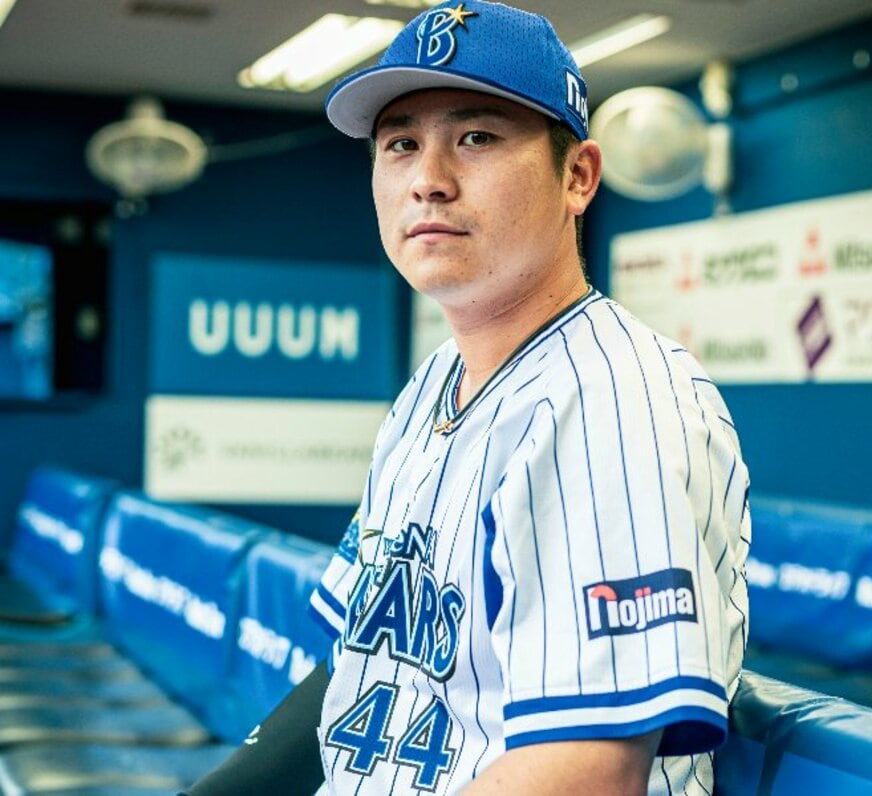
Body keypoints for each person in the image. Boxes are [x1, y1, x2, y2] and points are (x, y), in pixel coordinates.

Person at [189, 2, 750, 793]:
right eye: (400, 145)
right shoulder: (433, 384)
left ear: (578, 177)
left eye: (477, 138)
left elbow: (588, 772)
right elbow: (359, 661)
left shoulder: (615, 401)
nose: (428, 180)